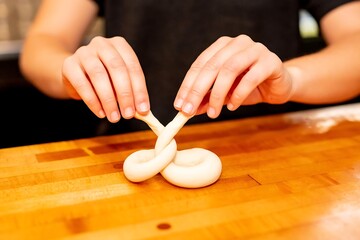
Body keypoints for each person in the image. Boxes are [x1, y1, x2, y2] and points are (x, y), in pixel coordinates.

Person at [19, 0, 360, 133]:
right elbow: (43, 42)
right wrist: (71, 71)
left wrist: (292, 78)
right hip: (126, 150)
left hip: (267, 154)